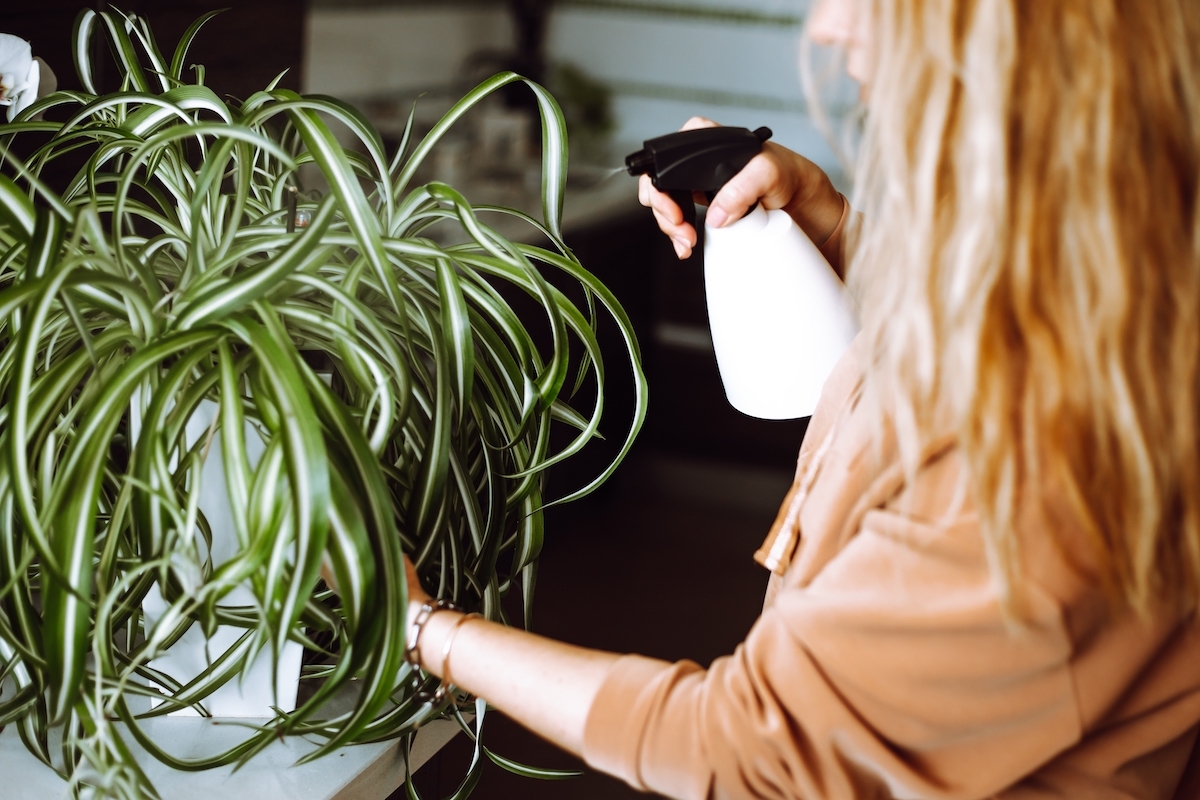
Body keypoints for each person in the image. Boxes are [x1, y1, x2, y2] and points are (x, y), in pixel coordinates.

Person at [398, 0, 1200, 797]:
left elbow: (736, 750)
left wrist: (417, 623)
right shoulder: (1099, 247)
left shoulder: (1043, 449)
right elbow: (969, 327)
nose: (828, 24)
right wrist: (835, 222)